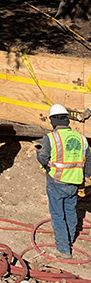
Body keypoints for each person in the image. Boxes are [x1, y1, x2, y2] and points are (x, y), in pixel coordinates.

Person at [36, 103, 91, 259]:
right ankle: (70, 238)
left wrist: (38, 153)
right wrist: (86, 178)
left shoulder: (51, 138)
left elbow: (43, 158)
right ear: (67, 120)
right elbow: (88, 162)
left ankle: (63, 248)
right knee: (71, 211)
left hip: (56, 182)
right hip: (74, 183)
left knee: (57, 214)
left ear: (53, 121)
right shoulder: (81, 138)